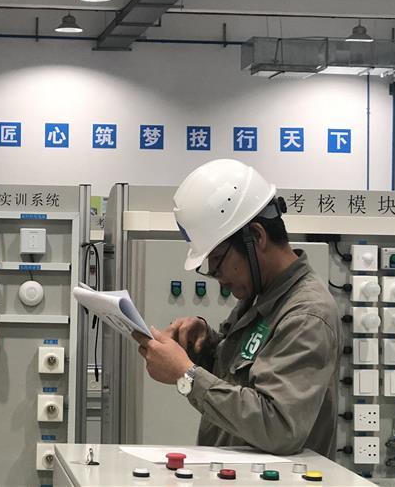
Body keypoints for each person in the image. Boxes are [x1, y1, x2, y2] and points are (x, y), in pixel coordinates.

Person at [133, 159, 340, 456]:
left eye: (218, 259)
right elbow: (241, 382)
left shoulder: (307, 314)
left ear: (257, 236)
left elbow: (278, 427)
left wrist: (185, 375)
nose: (218, 276)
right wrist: (205, 346)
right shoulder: (261, 297)